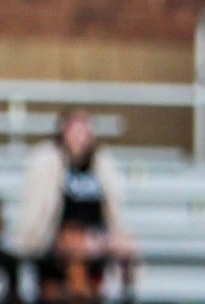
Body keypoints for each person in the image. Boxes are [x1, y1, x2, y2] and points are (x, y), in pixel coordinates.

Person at [14, 109, 136, 263]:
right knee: (76, 247)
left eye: (86, 132)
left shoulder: (101, 163)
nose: (82, 138)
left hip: (96, 234)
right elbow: (38, 211)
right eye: (77, 132)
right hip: (58, 236)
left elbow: (113, 210)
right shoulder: (47, 162)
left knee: (126, 246)